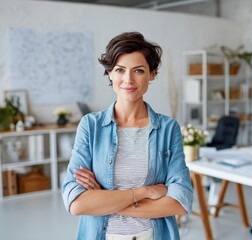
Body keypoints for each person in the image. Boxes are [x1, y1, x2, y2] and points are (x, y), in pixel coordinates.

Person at [62, 32, 193, 240]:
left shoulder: (168, 129)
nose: (128, 80)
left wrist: (105, 201)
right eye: (120, 70)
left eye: (138, 71)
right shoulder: (90, 125)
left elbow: (180, 202)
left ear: (152, 74)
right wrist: (143, 192)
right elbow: (76, 203)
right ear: (110, 74)